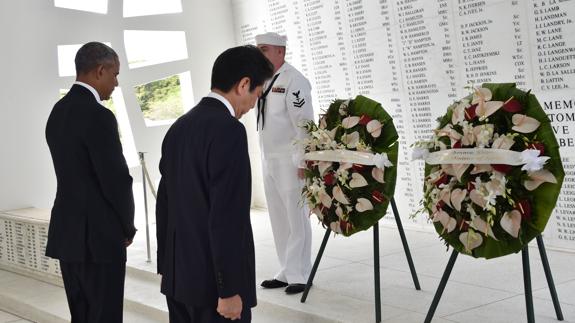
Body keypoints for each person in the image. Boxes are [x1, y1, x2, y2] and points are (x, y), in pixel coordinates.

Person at [155, 45, 274, 323]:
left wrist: (167, 267)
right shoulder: (229, 131)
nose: (254, 104)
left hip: (179, 282)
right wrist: (230, 289)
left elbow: (165, 203)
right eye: (257, 94)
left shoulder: (179, 127)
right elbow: (227, 217)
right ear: (244, 84)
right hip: (214, 291)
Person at [45, 41, 136, 322]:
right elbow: (116, 180)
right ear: (99, 71)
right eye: (115, 74)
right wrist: (127, 226)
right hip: (99, 237)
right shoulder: (99, 116)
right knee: (105, 315)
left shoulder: (57, 112)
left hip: (67, 234)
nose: (116, 83)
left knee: (81, 315)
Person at [255, 32, 314, 295]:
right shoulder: (263, 79)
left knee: (296, 216)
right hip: (269, 158)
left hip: (291, 160)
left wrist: (303, 159)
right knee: (278, 216)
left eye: (264, 49)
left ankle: (300, 272)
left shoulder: (294, 80)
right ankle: (285, 269)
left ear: (281, 52)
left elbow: (304, 123)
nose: (260, 54)